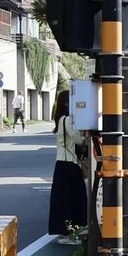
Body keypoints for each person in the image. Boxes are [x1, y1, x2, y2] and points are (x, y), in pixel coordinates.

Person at [48, 90, 87, 245]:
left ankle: (67, 233)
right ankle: (69, 234)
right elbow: (79, 140)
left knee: (63, 199)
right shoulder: (69, 120)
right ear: (66, 103)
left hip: (61, 165)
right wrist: (86, 136)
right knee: (75, 198)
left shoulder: (60, 119)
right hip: (70, 164)